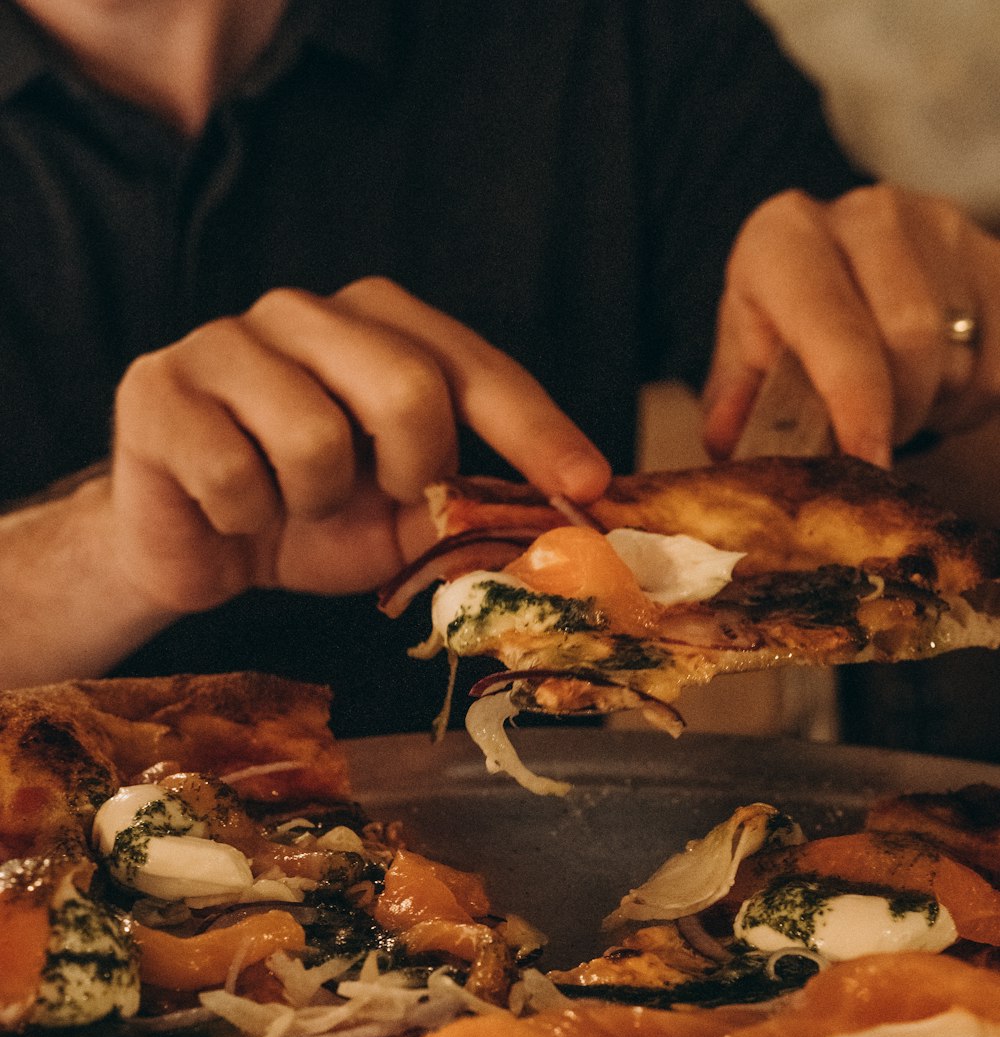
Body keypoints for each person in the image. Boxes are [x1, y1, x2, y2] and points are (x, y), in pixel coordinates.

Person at [1, 0, 999, 738]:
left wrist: (955, 350)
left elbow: (887, 496)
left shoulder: (619, 35)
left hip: (544, 941)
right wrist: (112, 552)